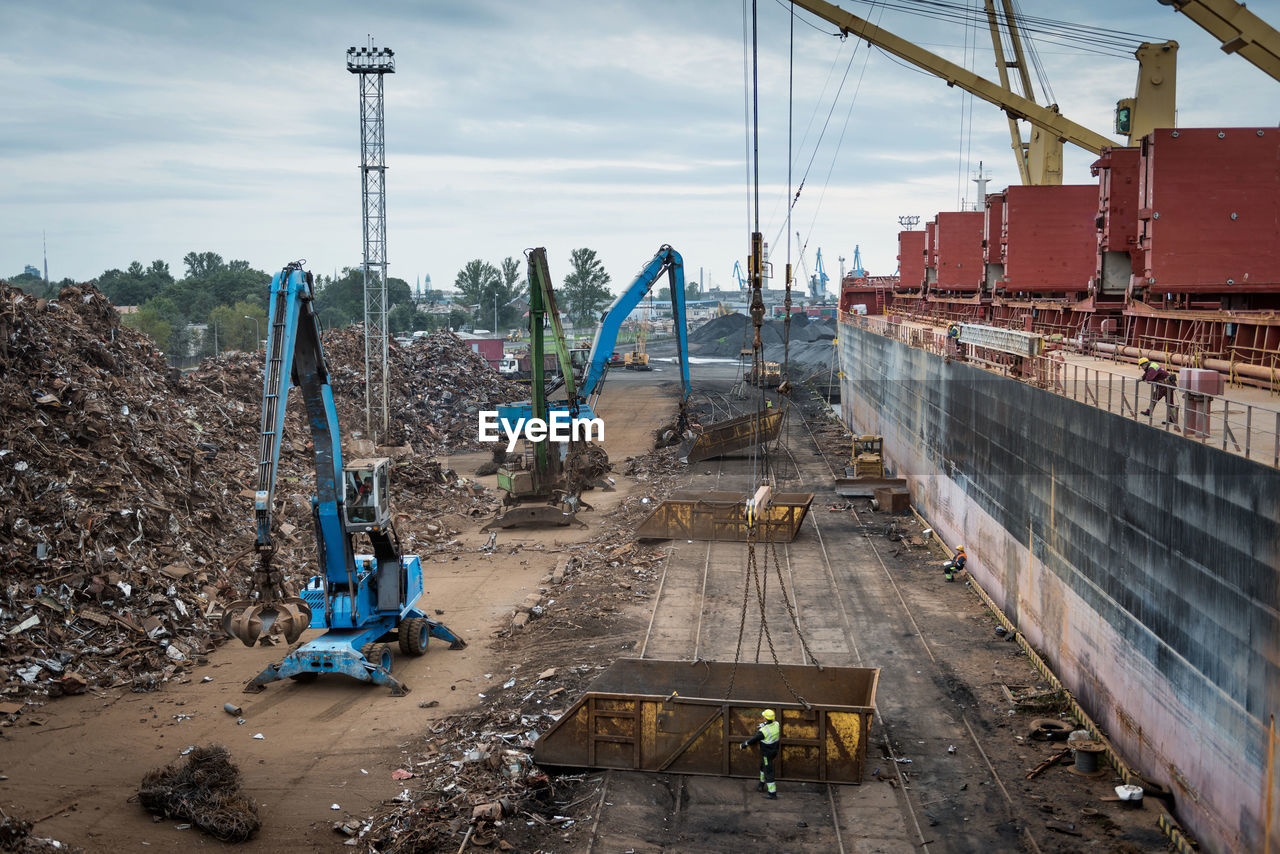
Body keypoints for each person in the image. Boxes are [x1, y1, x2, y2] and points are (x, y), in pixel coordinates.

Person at [739, 708, 781, 798]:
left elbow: (754, 739)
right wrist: (764, 724)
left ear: (765, 718)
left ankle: (772, 793)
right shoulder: (777, 724)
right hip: (774, 751)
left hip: (767, 753)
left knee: (768, 771)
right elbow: (771, 725)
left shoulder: (764, 731)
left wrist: (744, 744)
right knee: (763, 766)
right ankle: (761, 784)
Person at [1137, 357, 1177, 421]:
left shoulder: (1152, 368)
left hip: (1165, 385)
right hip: (1167, 385)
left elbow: (1149, 378)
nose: (1141, 367)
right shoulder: (1151, 366)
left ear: (1145, 364)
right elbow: (1147, 373)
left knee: (1157, 399)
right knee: (1169, 402)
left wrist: (1145, 379)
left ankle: (1172, 418)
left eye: (1142, 366)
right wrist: (1142, 378)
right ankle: (1172, 418)